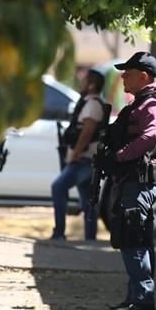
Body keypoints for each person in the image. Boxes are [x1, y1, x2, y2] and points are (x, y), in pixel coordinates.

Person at [102, 52, 156, 310]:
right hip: (133, 179)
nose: (123, 77)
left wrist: (119, 157)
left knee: (132, 236)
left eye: (128, 73)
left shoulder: (153, 103)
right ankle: (138, 298)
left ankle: (142, 301)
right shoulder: (142, 102)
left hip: (139, 179)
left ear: (143, 76)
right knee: (139, 237)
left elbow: (149, 138)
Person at [49, 69, 107, 242]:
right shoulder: (87, 103)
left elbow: (87, 132)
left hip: (84, 160)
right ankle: (90, 239)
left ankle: (59, 233)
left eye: (84, 80)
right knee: (88, 202)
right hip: (85, 159)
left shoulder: (92, 105)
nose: (80, 83)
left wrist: (75, 153)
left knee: (58, 187)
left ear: (92, 85)